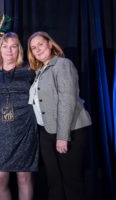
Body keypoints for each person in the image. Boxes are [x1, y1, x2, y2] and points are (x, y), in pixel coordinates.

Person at [27, 31, 92, 200]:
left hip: (69, 130)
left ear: (50, 44)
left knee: (71, 182)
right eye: (33, 48)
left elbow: (67, 100)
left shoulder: (62, 64)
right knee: (54, 181)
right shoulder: (40, 70)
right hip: (47, 131)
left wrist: (63, 136)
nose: (37, 49)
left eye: (40, 44)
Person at [0, 32, 39, 200]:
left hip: (25, 129)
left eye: (13, 46)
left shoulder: (29, 69)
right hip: (0, 131)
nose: (9, 50)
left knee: (24, 177)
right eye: (5, 46)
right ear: (0, 50)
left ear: (19, 50)